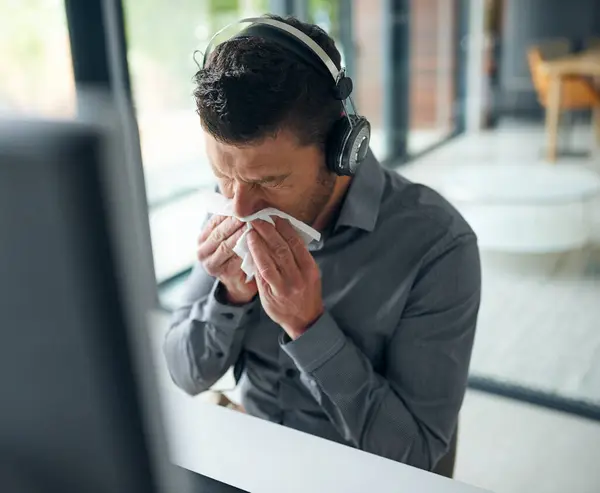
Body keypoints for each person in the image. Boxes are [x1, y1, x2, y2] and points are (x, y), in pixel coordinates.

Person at [163, 14, 481, 472]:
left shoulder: (437, 245)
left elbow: (415, 455)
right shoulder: (237, 194)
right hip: (249, 454)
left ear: (341, 150)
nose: (241, 208)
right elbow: (184, 373)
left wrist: (309, 327)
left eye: (270, 182)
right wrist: (228, 298)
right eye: (223, 176)